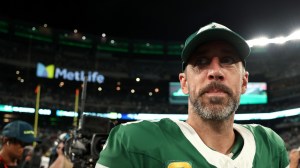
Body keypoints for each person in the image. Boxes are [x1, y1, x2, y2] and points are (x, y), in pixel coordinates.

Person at [95, 22, 290, 168]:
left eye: (227, 60)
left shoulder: (270, 145)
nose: (215, 71)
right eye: (202, 61)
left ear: (244, 82)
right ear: (184, 83)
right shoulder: (133, 141)